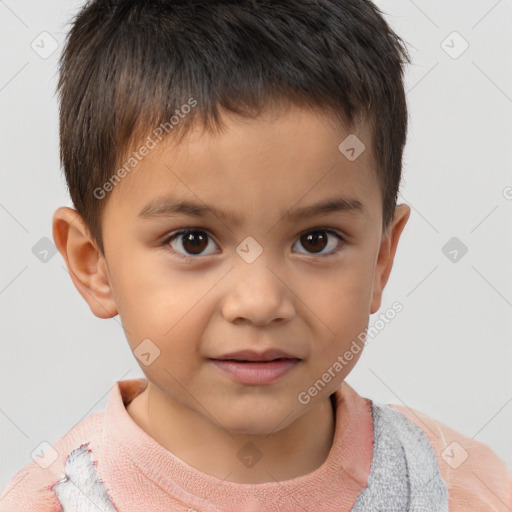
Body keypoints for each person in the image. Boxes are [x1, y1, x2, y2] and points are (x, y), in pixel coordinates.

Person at [1, 0, 510, 510]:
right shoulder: (54, 501)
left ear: (381, 259)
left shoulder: (459, 488)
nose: (260, 302)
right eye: (193, 241)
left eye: (316, 240)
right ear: (94, 264)